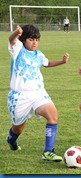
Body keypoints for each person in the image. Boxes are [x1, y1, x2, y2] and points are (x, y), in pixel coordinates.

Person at [6, 24, 70, 162]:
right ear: (23, 40)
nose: (34, 42)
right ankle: (11, 140)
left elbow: (47, 63)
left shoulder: (38, 54)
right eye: (31, 39)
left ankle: (48, 152)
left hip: (38, 93)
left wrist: (62, 61)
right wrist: (16, 33)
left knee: (53, 115)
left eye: (37, 39)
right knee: (18, 128)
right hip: (19, 96)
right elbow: (11, 39)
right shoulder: (18, 49)